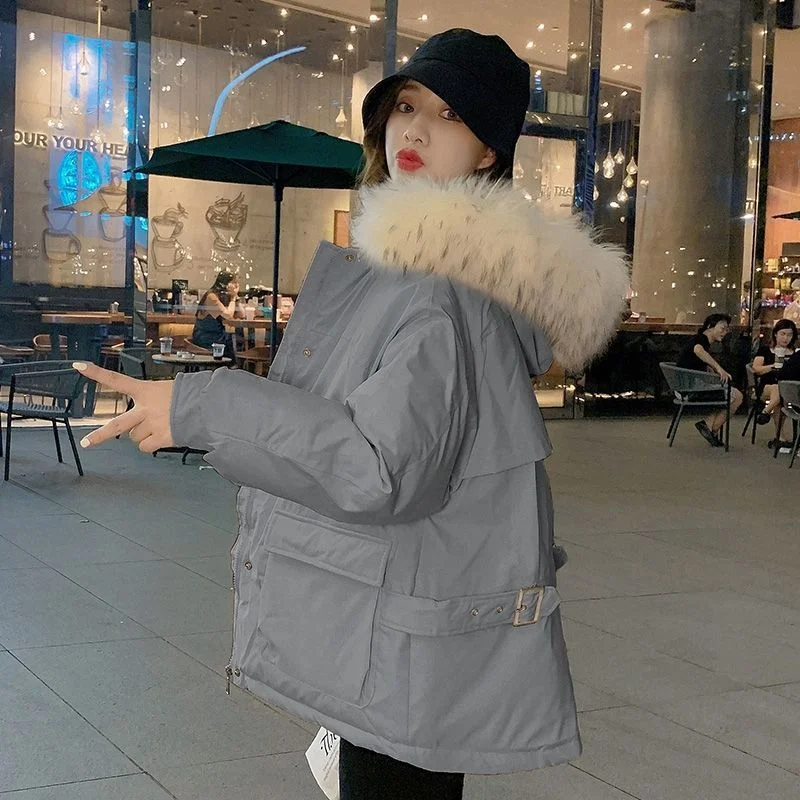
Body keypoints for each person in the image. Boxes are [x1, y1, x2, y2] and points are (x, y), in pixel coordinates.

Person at [72, 29, 629, 799]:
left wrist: (202, 405)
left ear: (488, 153)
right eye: (407, 106)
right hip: (409, 615)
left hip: (399, 637)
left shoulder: (439, 287)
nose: (417, 130)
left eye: (451, 115)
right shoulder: (422, 272)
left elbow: (381, 466)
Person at [676, 313, 743, 446]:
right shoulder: (701, 340)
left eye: (726, 330)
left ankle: (709, 427)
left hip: (683, 387)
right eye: (722, 328)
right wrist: (719, 369)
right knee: (737, 396)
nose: (725, 333)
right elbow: (698, 350)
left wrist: (709, 368)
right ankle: (711, 428)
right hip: (690, 390)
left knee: (729, 394)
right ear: (709, 326)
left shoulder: (698, 339)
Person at [752, 319, 797, 434]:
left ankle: (766, 412)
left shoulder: (795, 354)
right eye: (783, 334)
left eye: (789, 335)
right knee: (778, 391)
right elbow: (756, 369)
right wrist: (773, 366)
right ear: (776, 334)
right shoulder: (765, 350)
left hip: (790, 388)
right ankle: (779, 434)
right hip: (767, 386)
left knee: (780, 394)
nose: (786, 338)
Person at [192, 271, 242, 357]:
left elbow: (242, 314)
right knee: (233, 342)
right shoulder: (211, 297)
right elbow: (228, 316)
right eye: (234, 282)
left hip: (217, 336)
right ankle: (234, 363)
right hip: (206, 337)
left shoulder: (225, 297)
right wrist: (233, 298)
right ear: (225, 284)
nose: (236, 286)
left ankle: (238, 362)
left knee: (238, 341)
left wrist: (236, 297)